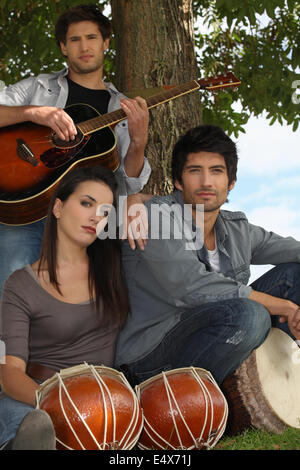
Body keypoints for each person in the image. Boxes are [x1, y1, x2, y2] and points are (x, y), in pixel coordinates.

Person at [114, 124, 300, 387]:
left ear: (231, 182)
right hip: (149, 356)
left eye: (216, 171)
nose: (206, 182)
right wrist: (285, 307)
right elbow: (191, 287)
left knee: (294, 275)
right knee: (250, 315)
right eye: (194, 171)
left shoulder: (238, 230)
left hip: (215, 332)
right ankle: (191, 399)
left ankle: (274, 387)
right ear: (178, 181)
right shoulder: (155, 216)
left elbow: (293, 249)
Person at [0, 3, 150, 297]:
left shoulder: (124, 108)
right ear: (63, 47)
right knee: (10, 298)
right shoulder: (39, 87)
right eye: (74, 39)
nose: (84, 46)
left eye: (92, 37)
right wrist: (34, 113)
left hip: (86, 224)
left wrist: (139, 141)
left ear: (105, 43)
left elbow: (127, 182)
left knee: (80, 312)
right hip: (27, 207)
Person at [0, 165, 130, 449]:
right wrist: (58, 403)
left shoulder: (117, 267)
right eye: (86, 203)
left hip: (107, 398)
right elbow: (9, 373)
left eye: (105, 211)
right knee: (29, 423)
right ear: (58, 208)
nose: (96, 216)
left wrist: (142, 202)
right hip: (39, 393)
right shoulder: (18, 284)